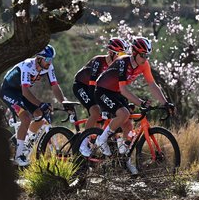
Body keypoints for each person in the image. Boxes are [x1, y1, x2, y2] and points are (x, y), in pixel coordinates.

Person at [94, 36, 174, 174]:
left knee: (129, 125)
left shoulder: (144, 65)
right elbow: (124, 90)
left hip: (116, 92)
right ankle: (101, 140)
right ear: (135, 53)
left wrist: (165, 103)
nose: (145, 58)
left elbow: (152, 85)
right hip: (102, 90)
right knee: (124, 113)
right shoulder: (123, 62)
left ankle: (123, 158)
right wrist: (141, 102)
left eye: (147, 55)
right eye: (143, 55)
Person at [0, 44, 66, 166]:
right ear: (39, 58)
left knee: (40, 114)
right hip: (8, 91)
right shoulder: (27, 66)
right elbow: (25, 91)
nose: (49, 62)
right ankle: (18, 156)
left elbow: (55, 86)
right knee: (26, 118)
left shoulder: (48, 68)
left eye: (51, 59)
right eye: (47, 59)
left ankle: (26, 141)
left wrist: (64, 102)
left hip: (21, 92)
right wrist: (41, 103)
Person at [74, 37, 128, 157]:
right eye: (120, 54)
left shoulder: (118, 67)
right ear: (111, 52)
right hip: (82, 86)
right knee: (95, 111)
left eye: (124, 54)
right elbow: (92, 86)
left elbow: (118, 89)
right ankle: (82, 143)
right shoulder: (99, 61)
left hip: (97, 89)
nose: (122, 58)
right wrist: (101, 106)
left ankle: (99, 142)